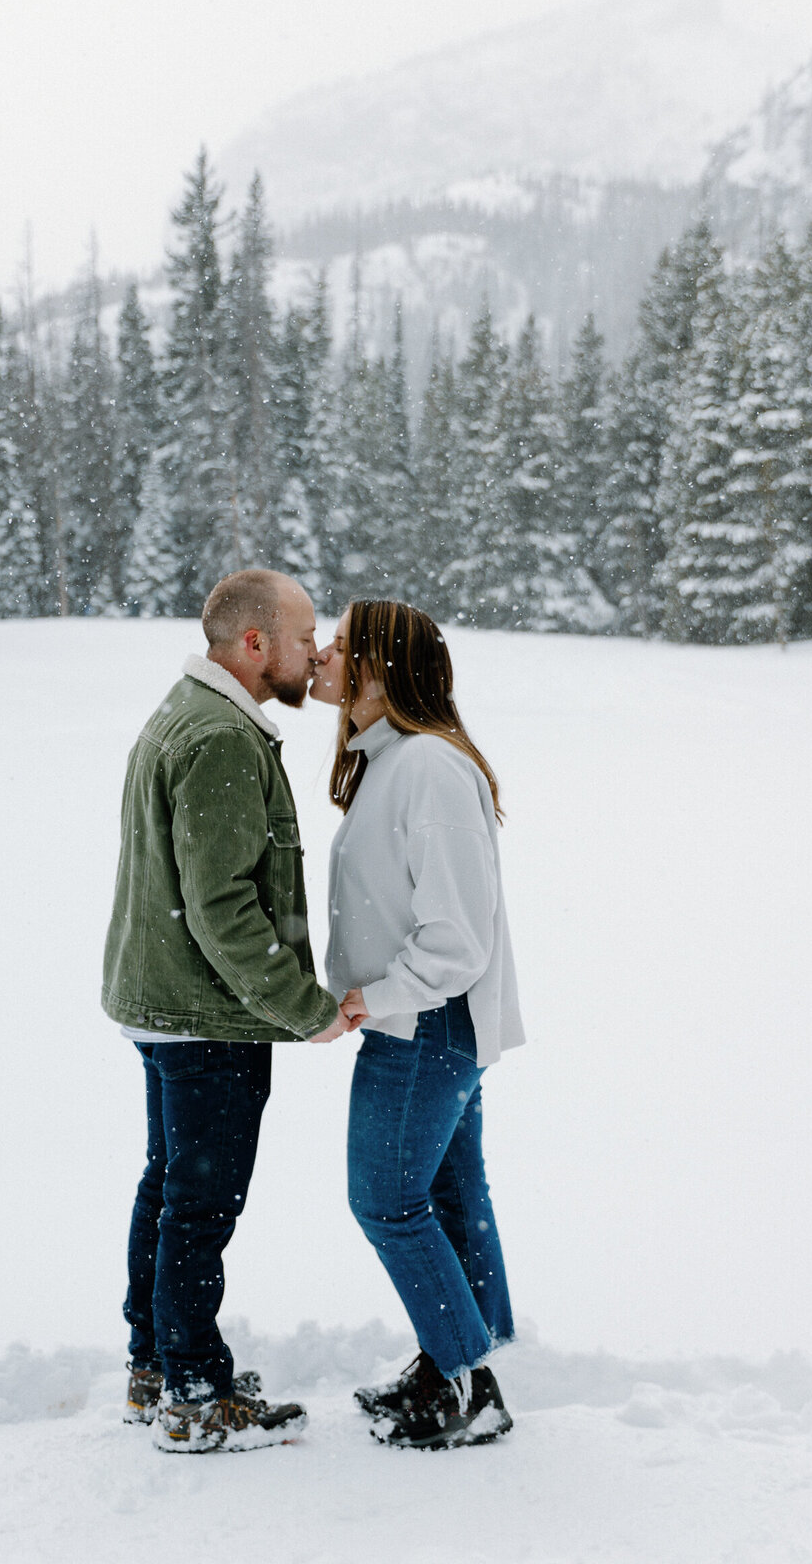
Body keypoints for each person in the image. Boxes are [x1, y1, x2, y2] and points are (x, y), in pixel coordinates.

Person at [102, 568, 354, 1453]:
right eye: (303, 636)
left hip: (169, 1003)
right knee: (199, 1208)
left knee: (170, 1190)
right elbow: (223, 910)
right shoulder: (219, 738)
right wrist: (304, 1009)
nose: (316, 652)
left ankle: (157, 1367)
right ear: (256, 646)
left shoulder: (196, 711)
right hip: (205, 1016)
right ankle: (196, 1398)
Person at [309, 598, 526, 1450]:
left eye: (338, 646)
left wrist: (375, 996)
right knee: (446, 1193)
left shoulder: (426, 767)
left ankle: (469, 1384)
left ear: (376, 667)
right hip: (423, 1019)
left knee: (386, 1200)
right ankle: (456, 1362)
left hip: (424, 1024)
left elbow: (456, 937)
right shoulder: (396, 760)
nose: (323, 657)